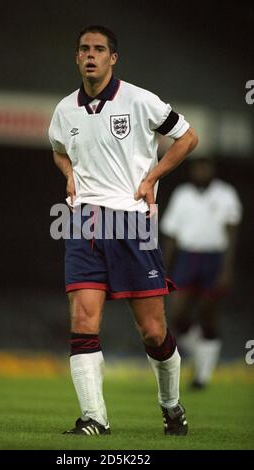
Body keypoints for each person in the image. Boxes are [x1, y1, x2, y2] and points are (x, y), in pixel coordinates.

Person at [49, 25, 198, 436]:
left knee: (152, 330)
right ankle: (94, 418)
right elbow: (59, 150)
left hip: (134, 222)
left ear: (113, 58)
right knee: (82, 319)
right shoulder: (65, 110)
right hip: (83, 222)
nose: (90, 55)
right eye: (83, 49)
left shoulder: (139, 100)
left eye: (99, 49)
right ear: (77, 57)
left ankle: (171, 405)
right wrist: (68, 174)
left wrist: (153, 177)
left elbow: (187, 137)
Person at [160, 157, 242, 389]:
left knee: (208, 314)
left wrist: (226, 268)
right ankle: (200, 352)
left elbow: (232, 234)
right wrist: (164, 266)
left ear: (212, 169)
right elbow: (172, 235)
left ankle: (202, 375)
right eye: (197, 167)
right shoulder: (182, 194)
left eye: (205, 166)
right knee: (177, 314)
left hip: (214, 258)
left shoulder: (226, 194)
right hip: (187, 257)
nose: (201, 171)